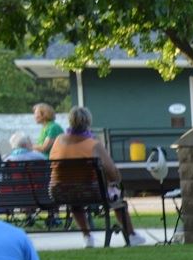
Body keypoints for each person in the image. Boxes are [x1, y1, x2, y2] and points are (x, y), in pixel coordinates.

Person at [48, 106, 147, 248]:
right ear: (88, 123)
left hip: (59, 191)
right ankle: (131, 235)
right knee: (116, 196)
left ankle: (87, 237)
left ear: (70, 122)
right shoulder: (93, 144)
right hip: (90, 191)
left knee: (75, 201)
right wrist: (116, 180)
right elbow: (112, 173)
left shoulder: (58, 141)